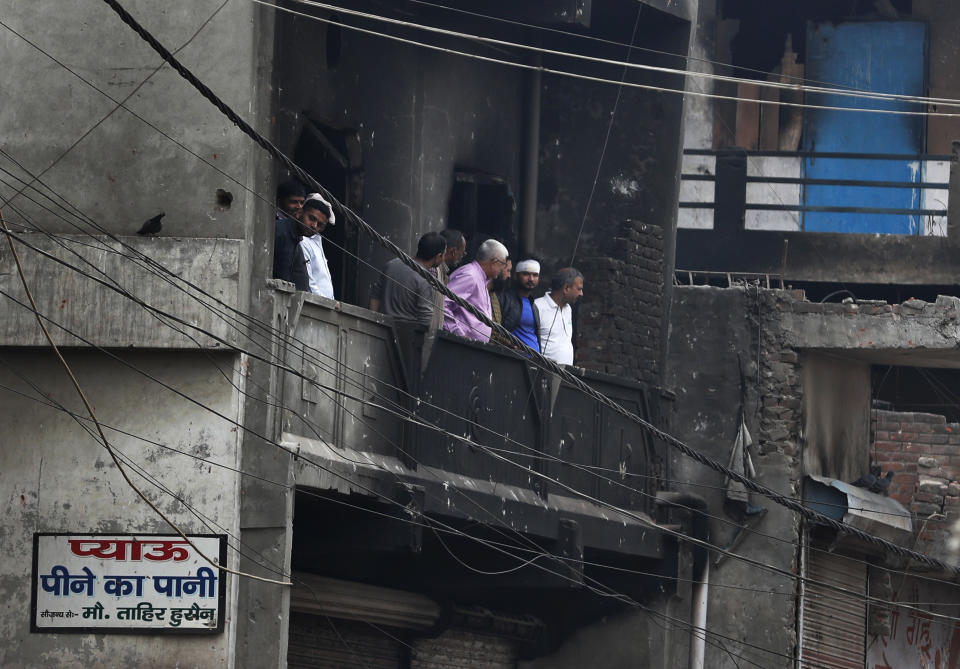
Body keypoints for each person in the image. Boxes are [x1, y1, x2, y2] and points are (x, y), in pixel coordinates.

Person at [442, 239, 508, 342]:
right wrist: (457, 333)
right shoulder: (470, 275)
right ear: (494, 262)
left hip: (471, 346)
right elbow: (444, 304)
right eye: (503, 265)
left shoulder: (482, 279)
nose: (502, 270)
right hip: (459, 345)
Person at [376, 232, 446, 327]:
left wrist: (375, 324)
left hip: (381, 327)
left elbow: (375, 296)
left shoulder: (391, 264)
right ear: (438, 256)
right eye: (444, 255)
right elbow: (425, 319)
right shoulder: (424, 279)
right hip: (406, 335)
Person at [535, 267, 583, 365]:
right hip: (544, 370)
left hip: (566, 372)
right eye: (579, 289)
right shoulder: (538, 306)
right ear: (566, 288)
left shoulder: (568, 309)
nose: (581, 293)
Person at [495, 258, 541, 352]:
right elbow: (495, 331)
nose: (531, 279)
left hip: (534, 361)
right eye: (526, 274)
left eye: (535, 275)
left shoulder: (534, 306)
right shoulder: (505, 299)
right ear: (516, 275)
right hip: (513, 359)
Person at [297, 193, 336, 298]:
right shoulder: (302, 242)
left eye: (320, 225)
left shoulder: (316, 240)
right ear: (301, 213)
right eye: (312, 218)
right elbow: (309, 282)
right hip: (317, 305)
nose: (314, 226)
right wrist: (325, 303)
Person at [272, 179, 308, 284]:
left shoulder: (302, 228)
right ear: (279, 202)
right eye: (294, 202)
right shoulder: (274, 226)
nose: (299, 207)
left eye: (302, 202)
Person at [431, 229, 466, 330]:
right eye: (462, 254)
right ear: (453, 252)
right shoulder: (434, 270)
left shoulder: (443, 272)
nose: (462, 258)